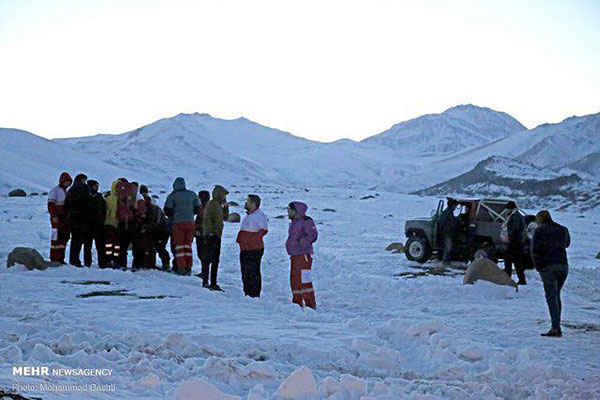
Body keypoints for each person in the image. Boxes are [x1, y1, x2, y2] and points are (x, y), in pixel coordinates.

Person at [531, 210, 570, 337]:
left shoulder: (539, 231)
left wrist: (538, 266)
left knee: (551, 296)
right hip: (563, 266)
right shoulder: (563, 229)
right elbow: (567, 244)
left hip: (548, 266)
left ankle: (555, 328)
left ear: (540, 219)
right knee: (556, 294)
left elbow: (534, 250)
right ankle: (556, 325)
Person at [164, 177, 199, 275]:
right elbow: (197, 207)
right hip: (190, 223)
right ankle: (189, 267)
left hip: (178, 223)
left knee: (179, 246)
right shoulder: (192, 194)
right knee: (187, 246)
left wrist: (175, 215)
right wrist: (189, 214)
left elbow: (167, 210)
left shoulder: (173, 196)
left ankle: (181, 267)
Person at [286, 201, 318, 309]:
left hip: (304, 256)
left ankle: (310, 304)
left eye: (289, 210)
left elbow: (313, 235)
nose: (287, 212)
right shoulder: (294, 222)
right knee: (295, 280)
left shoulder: (306, 221)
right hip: (295, 256)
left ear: (295, 211)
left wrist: (301, 242)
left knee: (304, 281)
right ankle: (297, 303)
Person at [236, 195, 268, 297]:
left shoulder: (260, 215)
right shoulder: (249, 215)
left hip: (254, 248)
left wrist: (250, 239)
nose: (246, 202)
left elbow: (264, 230)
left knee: (253, 271)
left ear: (254, 203)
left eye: (248, 201)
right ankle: (247, 292)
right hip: (245, 248)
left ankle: (254, 293)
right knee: (245, 271)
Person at [203, 185, 229, 290]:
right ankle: (206, 281)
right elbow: (207, 219)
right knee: (208, 259)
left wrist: (226, 207)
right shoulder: (212, 204)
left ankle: (213, 282)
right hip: (211, 235)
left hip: (217, 235)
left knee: (215, 260)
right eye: (223, 195)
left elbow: (225, 218)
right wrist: (209, 232)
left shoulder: (219, 205)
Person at [65, 174, 90, 267]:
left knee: (79, 240)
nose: (84, 182)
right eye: (83, 180)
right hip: (76, 218)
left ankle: (75, 260)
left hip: (82, 218)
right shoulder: (75, 191)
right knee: (76, 240)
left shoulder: (84, 189)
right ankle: (74, 260)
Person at [47, 172, 72, 263]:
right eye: (66, 181)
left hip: (65, 219)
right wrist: (54, 216)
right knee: (56, 239)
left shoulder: (66, 192)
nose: (67, 183)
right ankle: (54, 257)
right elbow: (51, 204)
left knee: (64, 239)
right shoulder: (55, 190)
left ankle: (61, 258)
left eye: (69, 182)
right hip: (57, 219)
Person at [502, 201, 527, 285]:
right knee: (516, 261)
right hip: (518, 242)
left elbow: (514, 229)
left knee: (509, 260)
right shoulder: (517, 215)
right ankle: (521, 279)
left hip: (515, 242)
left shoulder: (515, 217)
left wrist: (508, 236)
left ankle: (508, 277)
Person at [84, 180, 106, 267]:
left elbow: (103, 211)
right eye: (95, 186)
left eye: (97, 186)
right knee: (87, 246)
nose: (96, 188)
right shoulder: (85, 198)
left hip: (98, 226)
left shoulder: (100, 198)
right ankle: (87, 263)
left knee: (100, 246)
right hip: (88, 226)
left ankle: (102, 264)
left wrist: (101, 221)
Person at [103, 180, 121, 268]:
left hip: (119, 224)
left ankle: (116, 260)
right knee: (109, 244)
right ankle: (108, 259)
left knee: (117, 244)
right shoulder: (108, 198)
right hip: (109, 223)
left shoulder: (123, 198)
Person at [195, 190, 211, 283]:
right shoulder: (204, 207)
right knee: (202, 254)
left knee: (203, 254)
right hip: (202, 233)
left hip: (202, 234)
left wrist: (198, 230)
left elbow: (201, 221)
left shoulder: (204, 208)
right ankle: (204, 272)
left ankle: (205, 273)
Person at [437, 198, 458, 266]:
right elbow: (441, 223)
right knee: (448, 247)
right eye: (455, 205)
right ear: (452, 205)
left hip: (449, 233)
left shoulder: (449, 212)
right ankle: (446, 262)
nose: (455, 207)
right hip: (447, 233)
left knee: (449, 247)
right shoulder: (447, 213)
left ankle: (446, 261)